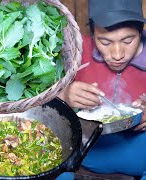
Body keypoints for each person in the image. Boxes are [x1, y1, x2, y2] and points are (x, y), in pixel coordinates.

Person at [56, 0, 146, 179]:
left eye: (128, 41)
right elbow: (37, 100)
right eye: (104, 42)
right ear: (92, 32)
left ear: (141, 30)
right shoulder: (74, 52)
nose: (117, 54)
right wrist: (63, 95)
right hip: (80, 156)